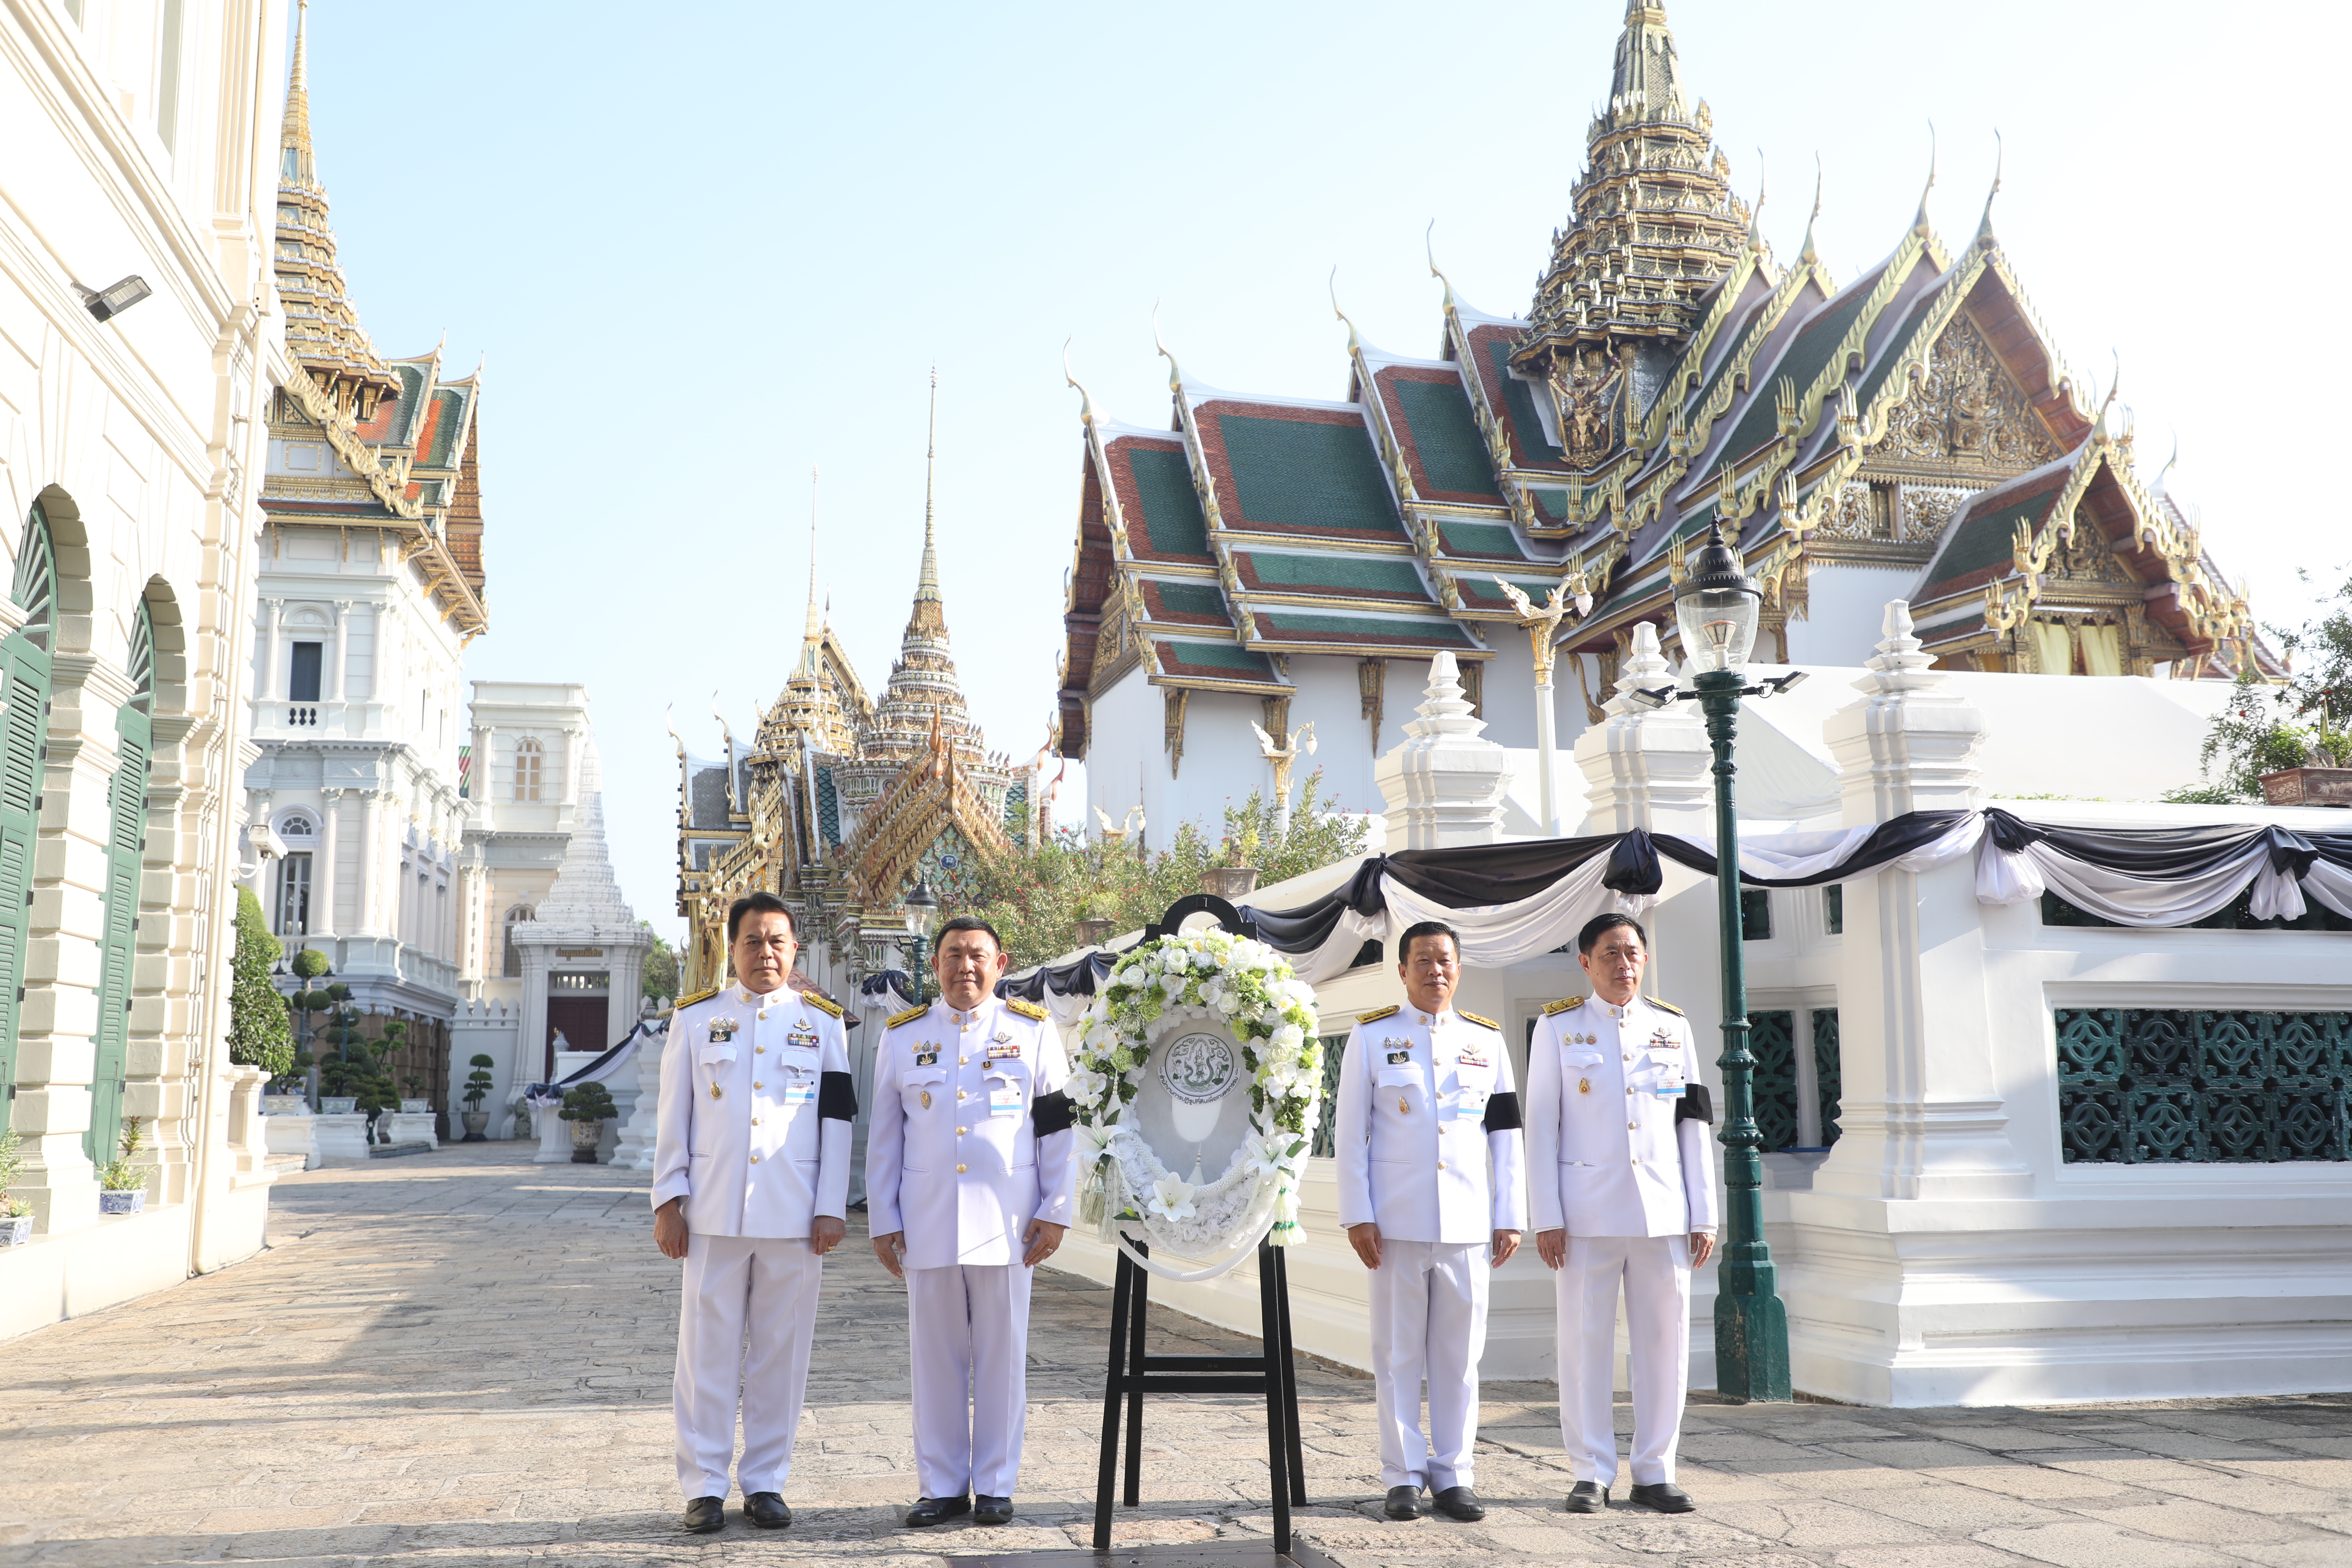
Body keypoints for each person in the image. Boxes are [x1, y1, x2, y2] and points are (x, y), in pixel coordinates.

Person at [652, 891, 856, 1534]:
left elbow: (838, 1122)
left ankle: (766, 1482)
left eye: (776, 941)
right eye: (751, 941)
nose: (764, 952)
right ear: (730, 948)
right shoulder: (694, 1020)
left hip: (795, 1218)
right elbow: (673, 1120)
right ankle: (705, 1486)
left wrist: (831, 1208)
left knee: (780, 1355)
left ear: (794, 949)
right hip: (712, 1214)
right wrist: (668, 1201)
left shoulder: (824, 1024)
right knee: (705, 1355)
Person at [867, 915, 1075, 1528]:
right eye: (953, 955)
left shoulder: (1033, 1033)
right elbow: (884, 1137)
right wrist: (884, 1217)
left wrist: (1056, 1211)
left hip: (1010, 1225)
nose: (966, 966)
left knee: (1002, 1356)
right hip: (928, 1219)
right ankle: (942, 1485)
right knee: (935, 1359)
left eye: (977, 955)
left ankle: (995, 1485)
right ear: (935, 966)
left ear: (1001, 964)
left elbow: (1059, 1130)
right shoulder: (904, 1037)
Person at [1525, 912, 1719, 1515]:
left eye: (1633, 952)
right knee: (1584, 1346)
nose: (1625, 964)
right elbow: (1542, 1126)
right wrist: (1546, 1215)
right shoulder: (1558, 1028)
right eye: (1611, 953)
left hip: (1663, 1211)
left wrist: (1704, 1213)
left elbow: (1694, 1124)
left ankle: (1656, 1470)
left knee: (1665, 1345)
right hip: (1585, 1216)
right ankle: (1590, 1472)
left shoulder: (1672, 1026)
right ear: (1586, 962)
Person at [1333, 920, 1525, 1523]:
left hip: (1468, 1221)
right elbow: (1350, 1136)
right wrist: (1358, 1213)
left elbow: (1506, 1136)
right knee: (1396, 1355)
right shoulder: (1371, 1038)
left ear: (1459, 969)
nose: (1435, 971)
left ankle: (1455, 1473)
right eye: (1423, 961)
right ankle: (1402, 1476)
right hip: (1394, 1223)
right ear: (1403, 971)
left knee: (1459, 1355)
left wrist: (1510, 1214)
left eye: (1445, 961)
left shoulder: (1487, 1042)